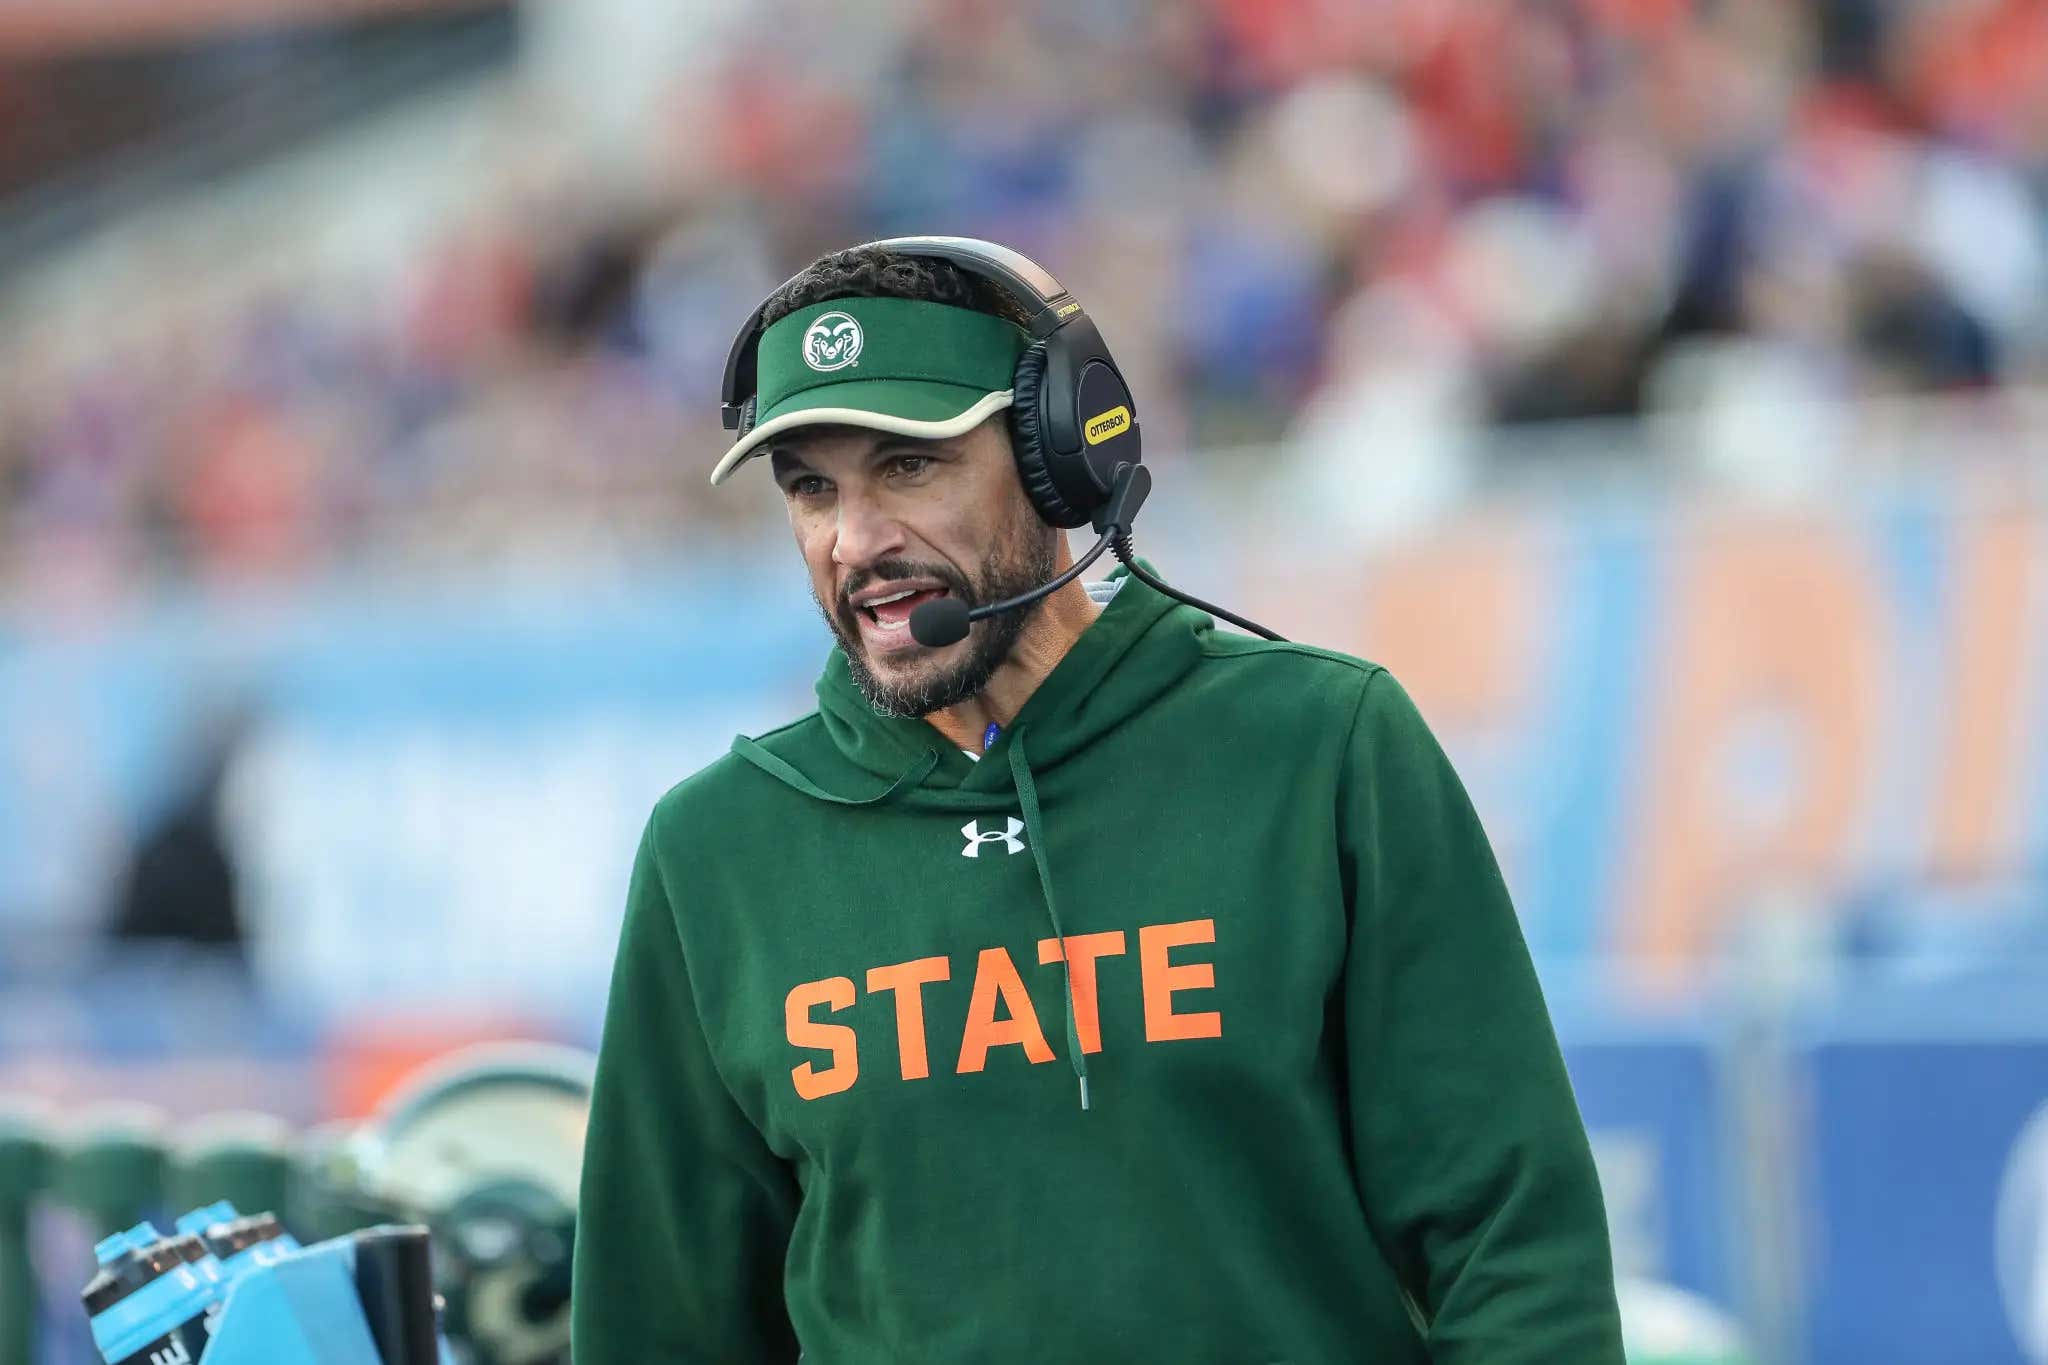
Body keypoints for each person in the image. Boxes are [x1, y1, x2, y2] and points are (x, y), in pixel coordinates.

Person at [570, 238, 1624, 1363]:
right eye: (811, 489)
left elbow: (1511, 1248)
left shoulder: (1320, 749)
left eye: (908, 467)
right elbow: (658, 1331)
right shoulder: (717, 850)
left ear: (1058, 455)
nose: (854, 540)